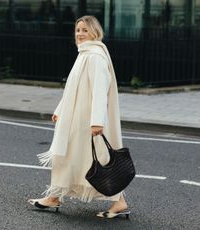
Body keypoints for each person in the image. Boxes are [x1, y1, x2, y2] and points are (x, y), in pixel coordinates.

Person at [28, 15, 130, 219]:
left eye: (85, 30)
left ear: (95, 32)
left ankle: (119, 201)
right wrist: (60, 109)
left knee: (99, 161)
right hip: (75, 118)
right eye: (77, 30)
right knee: (67, 157)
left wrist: (97, 122)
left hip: (86, 121)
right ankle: (55, 196)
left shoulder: (95, 56)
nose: (80, 34)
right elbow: (72, 89)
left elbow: (100, 90)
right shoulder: (84, 53)